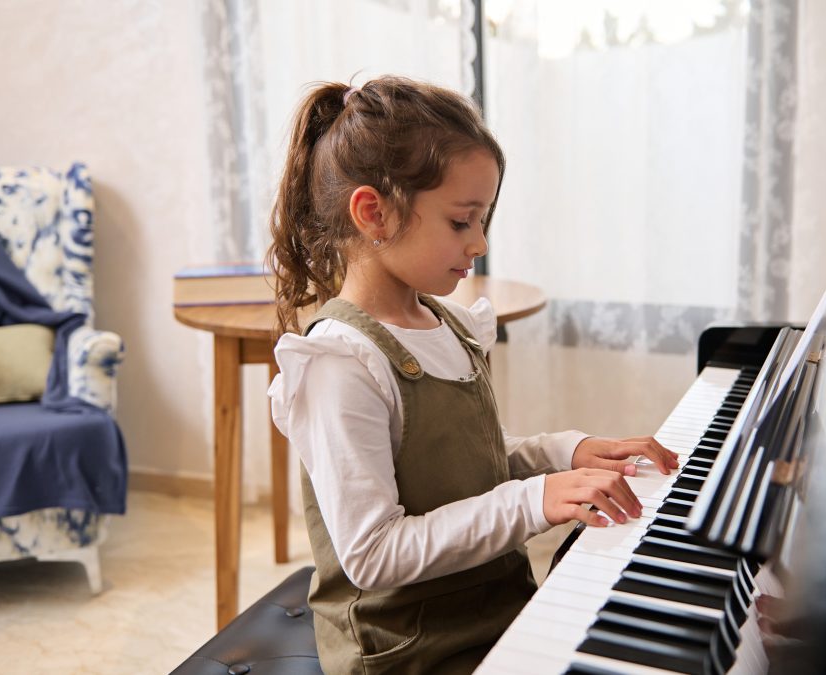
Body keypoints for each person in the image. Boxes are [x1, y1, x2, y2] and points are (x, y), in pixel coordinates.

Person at [266, 75, 679, 675]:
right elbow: (374, 554)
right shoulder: (339, 363)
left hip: (494, 612)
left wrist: (568, 453)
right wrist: (534, 501)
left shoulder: (447, 323)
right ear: (373, 212)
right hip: (408, 650)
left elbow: (461, 466)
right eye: (462, 222)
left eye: (483, 220)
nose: (480, 242)